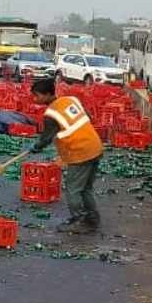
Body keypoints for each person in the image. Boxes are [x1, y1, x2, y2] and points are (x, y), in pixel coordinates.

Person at [28, 78, 103, 233]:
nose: (35, 99)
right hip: (95, 147)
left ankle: (79, 220)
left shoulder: (51, 114)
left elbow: (46, 139)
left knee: (73, 189)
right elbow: (88, 117)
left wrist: (36, 147)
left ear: (47, 94)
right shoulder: (71, 100)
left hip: (80, 152)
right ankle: (92, 217)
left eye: (37, 95)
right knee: (86, 187)